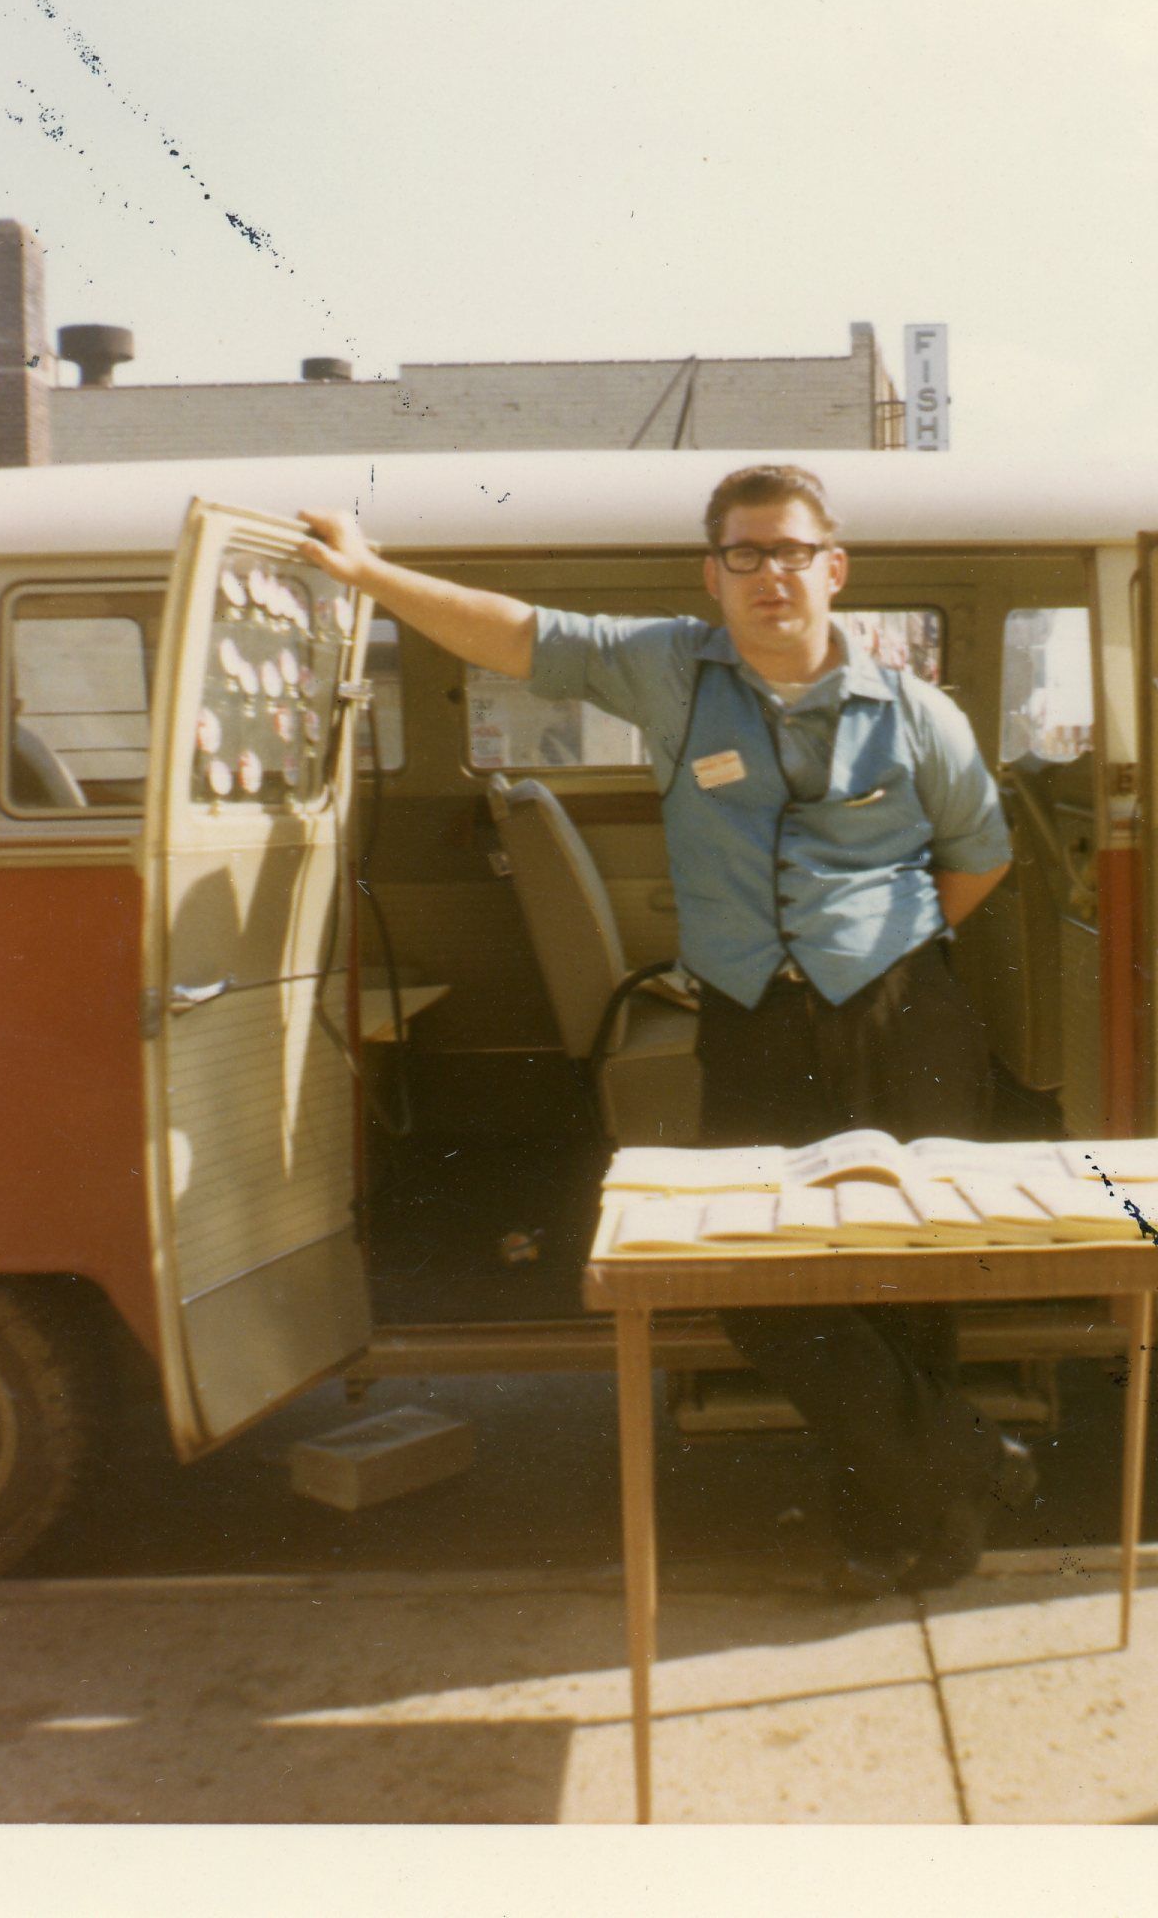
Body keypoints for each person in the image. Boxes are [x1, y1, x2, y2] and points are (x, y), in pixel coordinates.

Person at [297, 464, 1034, 1593]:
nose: (770, 574)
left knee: (901, 1279)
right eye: (745, 553)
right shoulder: (667, 670)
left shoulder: (918, 712)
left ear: (834, 568)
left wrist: (882, 951)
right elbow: (518, 634)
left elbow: (978, 858)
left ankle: (908, 1533)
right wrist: (369, 573)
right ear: (713, 575)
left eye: (792, 551)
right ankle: (969, 1455)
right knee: (754, 1277)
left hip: (901, 1015)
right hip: (750, 1021)